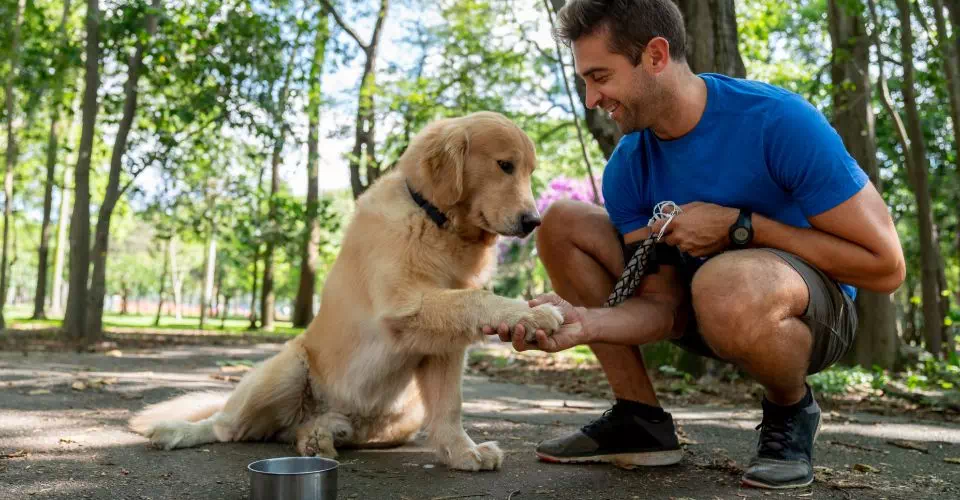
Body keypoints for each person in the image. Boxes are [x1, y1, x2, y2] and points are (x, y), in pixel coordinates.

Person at [482, 0, 906, 490]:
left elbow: (885, 268)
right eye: (584, 81)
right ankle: (640, 420)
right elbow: (664, 308)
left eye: (600, 77)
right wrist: (583, 323)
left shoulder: (778, 122)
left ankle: (790, 410)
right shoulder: (629, 165)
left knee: (727, 281)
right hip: (702, 307)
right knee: (562, 221)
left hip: (809, 315)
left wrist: (745, 227)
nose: (591, 98)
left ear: (656, 56)